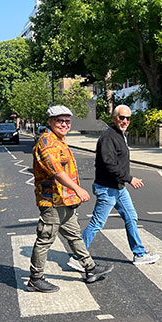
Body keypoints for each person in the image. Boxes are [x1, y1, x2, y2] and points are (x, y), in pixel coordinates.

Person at [27, 105, 113, 293]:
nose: (64, 124)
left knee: (74, 236)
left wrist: (73, 193)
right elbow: (56, 172)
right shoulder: (47, 142)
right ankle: (35, 278)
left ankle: (90, 268)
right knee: (45, 239)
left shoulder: (59, 141)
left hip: (65, 200)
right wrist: (77, 189)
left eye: (67, 120)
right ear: (50, 122)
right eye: (59, 120)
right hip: (52, 201)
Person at [79, 105, 160, 265]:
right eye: (121, 117)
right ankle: (78, 256)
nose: (125, 121)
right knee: (97, 222)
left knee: (131, 217)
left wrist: (125, 180)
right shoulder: (109, 137)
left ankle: (139, 254)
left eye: (128, 118)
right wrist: (129, 178)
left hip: (118, 187)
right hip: (108, 188)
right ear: (114, 118)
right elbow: (109, 164)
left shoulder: (120, 135)